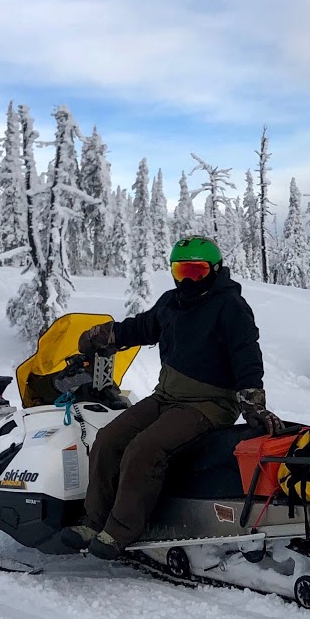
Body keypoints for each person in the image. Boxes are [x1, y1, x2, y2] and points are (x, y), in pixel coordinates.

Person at [60, 235, 279, 560]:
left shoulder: (229, 306)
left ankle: (122, 530)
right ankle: (94, 521)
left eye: (197, 271)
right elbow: (143, 326)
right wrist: (108, 334)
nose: (189, 279)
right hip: (167, 396)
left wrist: (252, 402)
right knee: (107, 440)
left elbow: (246, 354)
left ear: (215, 270)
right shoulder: (171, 303)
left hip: (211, 403)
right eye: (182, 271)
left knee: (145, 449)